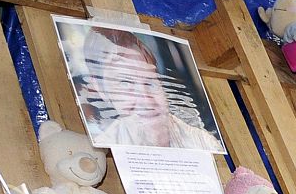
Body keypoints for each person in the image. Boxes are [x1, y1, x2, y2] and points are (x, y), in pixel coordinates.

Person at [81, 28, 221, 151]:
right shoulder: (104, 147)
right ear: (100, 89)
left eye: (150, 83)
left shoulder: (203, 144)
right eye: (125, 84)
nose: (147, 101)